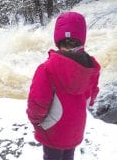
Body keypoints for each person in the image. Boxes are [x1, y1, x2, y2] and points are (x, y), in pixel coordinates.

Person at [26, 11, 101, 160]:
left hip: (52, 130)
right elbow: (92, 97)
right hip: (75, 128)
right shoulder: (90, 66)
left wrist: (36, 122)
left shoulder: (46, 68)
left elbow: (37, 103)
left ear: (58, 38)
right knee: (68, 156)